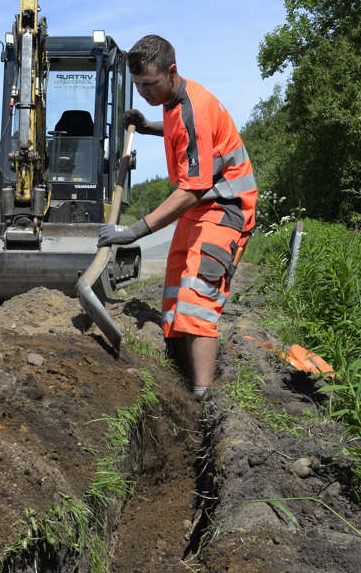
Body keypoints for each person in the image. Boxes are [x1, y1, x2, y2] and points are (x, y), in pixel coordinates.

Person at [98, 35, 257, 398]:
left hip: (226, 208)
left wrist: (134, 231)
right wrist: (147, 124)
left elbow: (192, 189)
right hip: (202, 206)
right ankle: (176, 377)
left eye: (150, 85)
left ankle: (202, 397)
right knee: (174, 288)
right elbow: (177, 131)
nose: (144, 94)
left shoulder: (193, 109)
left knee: (197, 295)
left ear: (171, 72)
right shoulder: (172, 103)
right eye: (138, 87)